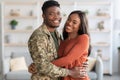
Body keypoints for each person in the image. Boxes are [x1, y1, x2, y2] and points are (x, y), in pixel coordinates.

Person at [28, 0, 88, 80]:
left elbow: (66, 58)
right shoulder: (38, 36)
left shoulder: (58, 35)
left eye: (58, 13)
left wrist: (82, 62)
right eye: (51, 14)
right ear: (43, 16)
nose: (56, 17)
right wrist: (69, 72)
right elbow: (43, 66)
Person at [52, 10, 90, 80]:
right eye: (69, 19)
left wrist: (43, 66)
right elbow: (58, 60)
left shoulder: (83, 38)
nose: (69, 23)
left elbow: (68, 59)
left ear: (80, 26)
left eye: (74, 22)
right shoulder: (62, 41)